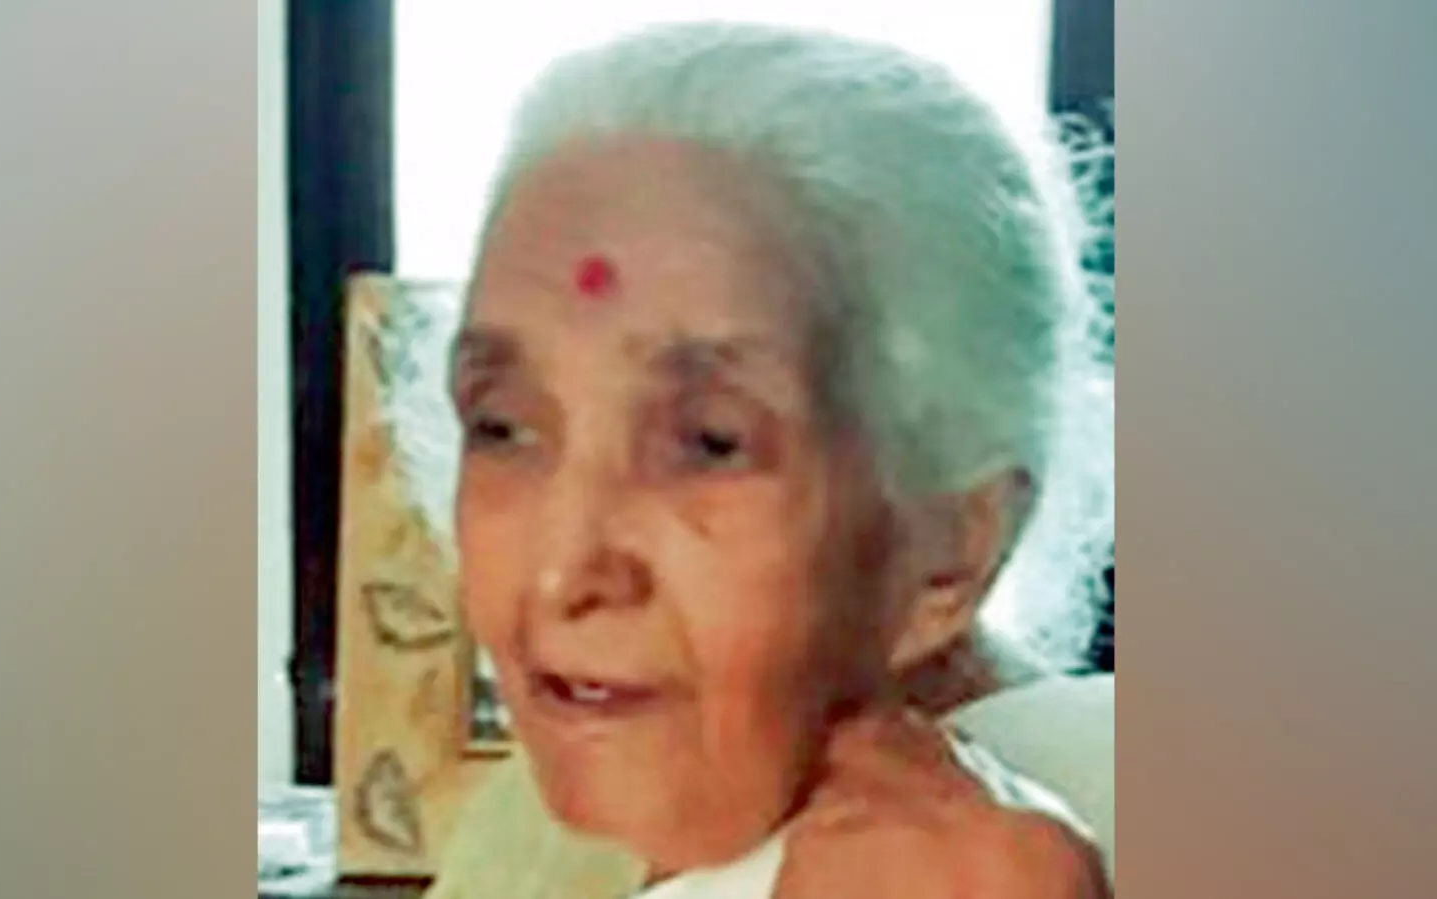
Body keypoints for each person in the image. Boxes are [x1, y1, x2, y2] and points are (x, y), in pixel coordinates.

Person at [385, 20, 1114, 899]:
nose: (560, 572)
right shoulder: (533, 831)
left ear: (951, 545)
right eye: (503, 426)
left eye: (707, 444)